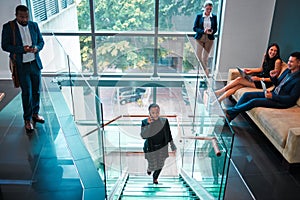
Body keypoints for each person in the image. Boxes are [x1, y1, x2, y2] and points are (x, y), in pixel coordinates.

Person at [1, 5, 45, 133]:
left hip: (35, 64)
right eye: (22, 17)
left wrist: (36, 47)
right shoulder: (8, 27)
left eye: (26, 16)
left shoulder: (34, 25)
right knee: (27, 93)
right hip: (21, 66)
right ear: (16, 15)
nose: (25, 19)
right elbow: (5, 46)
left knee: (36, 91)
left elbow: (41, 42)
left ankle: (35, 114)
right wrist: (22, 50)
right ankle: (27, 120)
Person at [225, 52, 300, 122]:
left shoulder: (298, 79)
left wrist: (273, 97)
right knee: (247, 95)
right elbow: (277, 84)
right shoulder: (287, 71)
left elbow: (291, 99)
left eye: (291, 62)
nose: (289, 63)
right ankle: (230, 116)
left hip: (281, 102)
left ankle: (229, 112)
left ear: (299, 63)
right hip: (273, 93)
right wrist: (273, 77)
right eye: (289, 61)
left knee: (254, 102)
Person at [215, 43, 283, 102]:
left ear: (277, 53)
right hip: (258, 78)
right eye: (271, 50)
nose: (273, 52)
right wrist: (250, 71)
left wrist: (260, 79)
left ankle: (220, 92)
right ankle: (219, 100)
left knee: (239, 79)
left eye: (275, 51)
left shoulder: (277, 61)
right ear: (268, 49)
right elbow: (261, 69)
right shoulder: (265, 56)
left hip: (265, 83)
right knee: (237, 86)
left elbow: (274, 79)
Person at [141, 103, 177, 184]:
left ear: (159, 112)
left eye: (157, 112)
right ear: (149, 113)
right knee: (153, 164)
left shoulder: (164, 121)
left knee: (160, 164)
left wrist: (172, 146)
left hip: (162, 147)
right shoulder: (145, 122)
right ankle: (150, 168)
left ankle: (155, 178)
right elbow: (143, 136)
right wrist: (149, 125)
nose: (155, 114)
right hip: (150, 147)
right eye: (153, 113)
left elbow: (168, 134)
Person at [193, 0, 218, 75]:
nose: (209, 10)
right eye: (207, 9)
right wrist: (203, 31)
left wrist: (212, 31)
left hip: (209, 39)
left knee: (205, 58)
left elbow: (216, 29)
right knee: (198, 56)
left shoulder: (214, 17)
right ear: (204, 8)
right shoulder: (199, 16)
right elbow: (195, 28)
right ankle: (203, 71)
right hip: (200, 38)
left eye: (210, 9)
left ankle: (205, 74)